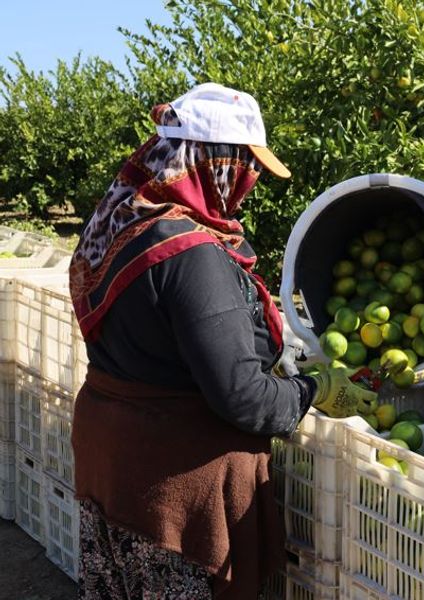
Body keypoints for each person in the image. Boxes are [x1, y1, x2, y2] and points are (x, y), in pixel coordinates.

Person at [68, 83, 376, 599]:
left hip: (111, 455)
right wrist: (315, 389)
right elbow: (244, 397)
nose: (250, 184)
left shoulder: (121, 217)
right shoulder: (190, 252)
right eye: (247, 168)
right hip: (168, 484)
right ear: (219, 162)